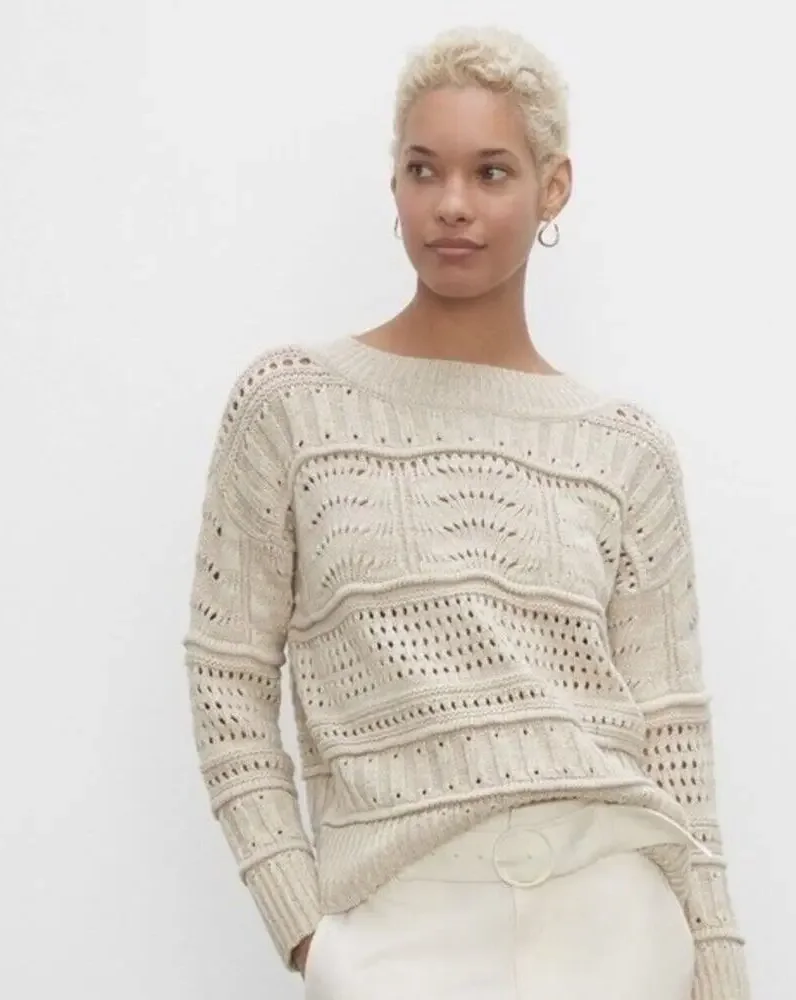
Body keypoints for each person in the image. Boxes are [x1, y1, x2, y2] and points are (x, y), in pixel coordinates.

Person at [182, 24, 751, 1000]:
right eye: (423, 169)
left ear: (552, 188)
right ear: (394, 185)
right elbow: (226, 676)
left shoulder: (624, 450)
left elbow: (671, 735)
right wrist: (308, 934)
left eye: (491, 172)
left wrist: (720, 971)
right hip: (395, 931)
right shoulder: (292, 408)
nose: (451, 203)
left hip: (614, 925)